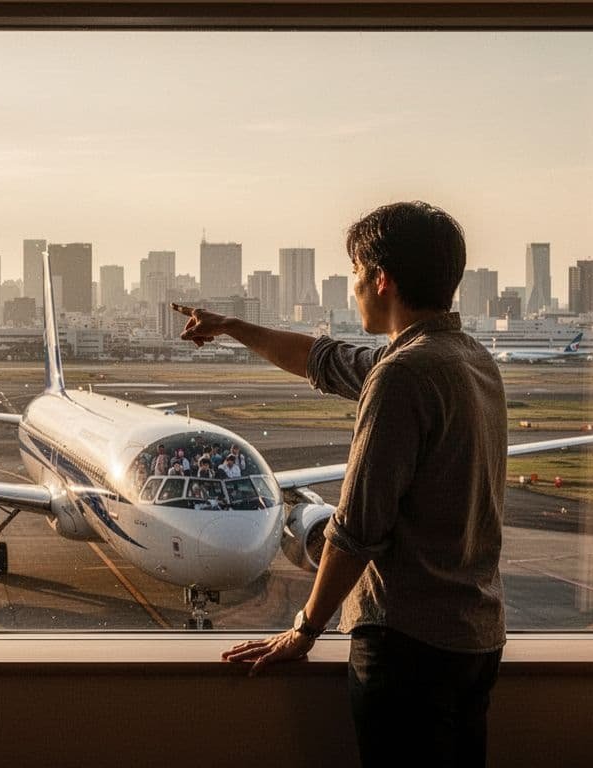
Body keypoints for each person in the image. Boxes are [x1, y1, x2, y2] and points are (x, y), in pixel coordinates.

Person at [174, 201, 507, 768]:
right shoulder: (467, 358)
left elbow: (356, 529)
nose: (352, 287)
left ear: (381, 280)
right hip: (473, 637)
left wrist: (303, 629)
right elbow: (321, 358)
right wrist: (229, 326)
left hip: (409, 646)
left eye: (354, 272)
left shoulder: (401, 375)